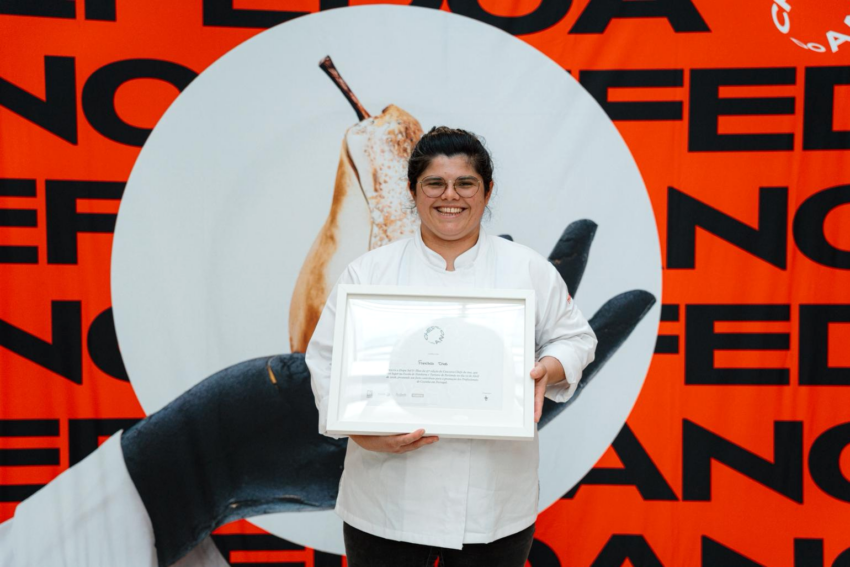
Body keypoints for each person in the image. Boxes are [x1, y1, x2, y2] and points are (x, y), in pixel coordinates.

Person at [306, 126, 598, 567]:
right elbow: (325, 361)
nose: (450, 196)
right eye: (434, 183)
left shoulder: (526, 269)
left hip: (494, 504)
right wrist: (363, 431)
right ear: (412, 190)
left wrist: (549, 368)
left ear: (487, 190)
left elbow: (575, 338)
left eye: (465, 183)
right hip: (386, 503)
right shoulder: (369, 274)